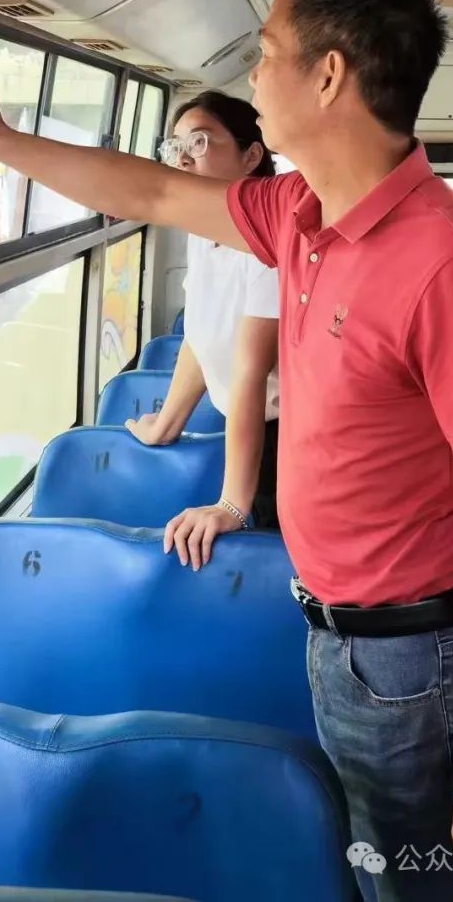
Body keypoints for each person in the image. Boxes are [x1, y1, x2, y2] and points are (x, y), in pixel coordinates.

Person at [0, 0, 453, 902]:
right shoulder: (299, 212)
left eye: (265, 53)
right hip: (336, 634)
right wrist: (1, 144)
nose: (251, 74)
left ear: (331, 76)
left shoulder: (451, 269)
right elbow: (149, 190)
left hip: (423, 663)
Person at [129, 90, 282, 557]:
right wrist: (166, 424)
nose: (182, 159)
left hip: (290, 436)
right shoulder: (206, 228)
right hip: (246, 421)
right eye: (175, 146)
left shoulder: (269, 244)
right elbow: (200, 333)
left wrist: (232, 504)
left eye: (198, 142)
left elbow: (250, 376)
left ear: (251, 155)